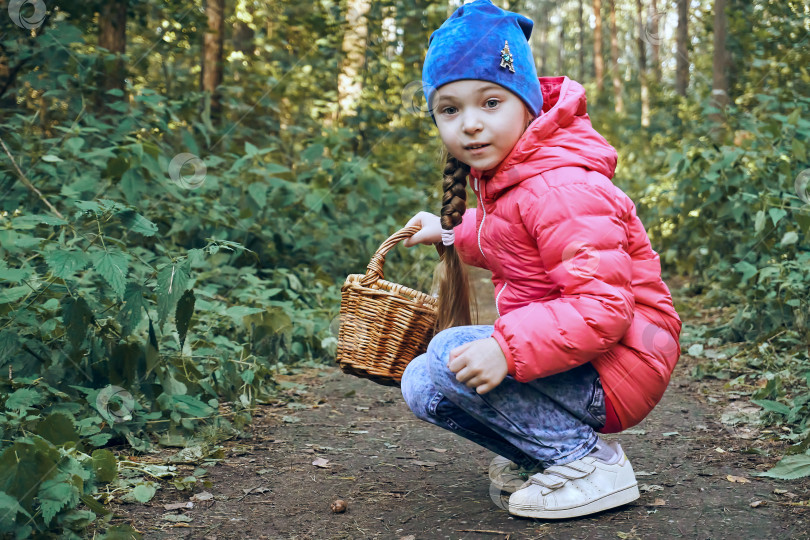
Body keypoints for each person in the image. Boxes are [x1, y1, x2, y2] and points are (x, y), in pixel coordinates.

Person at [399, 0, 682, 520]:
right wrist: (444, 231)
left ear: (527, 103)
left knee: (447, 355)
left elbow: (603, 308)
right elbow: (503, 241)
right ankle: (543, 455)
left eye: (490, 103)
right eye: (449, 109)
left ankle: (588, 463)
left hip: (619, 362)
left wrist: (506, 349)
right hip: (576, 357)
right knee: (422, 382)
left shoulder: (561, 186)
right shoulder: (511, 179)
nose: (470, 126)